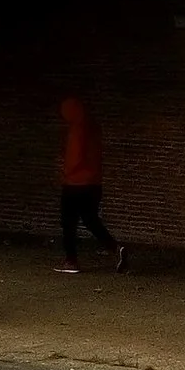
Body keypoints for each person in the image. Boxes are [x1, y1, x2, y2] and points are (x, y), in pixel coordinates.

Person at [57, 96, 127, 273]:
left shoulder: (77, 129)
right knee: (91, 219)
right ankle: (115, 248)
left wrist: (66, 172)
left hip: (75, 184)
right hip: (94, 183)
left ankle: (71, 261)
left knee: (68, 222)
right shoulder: (93, 127)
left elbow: (74, 157)